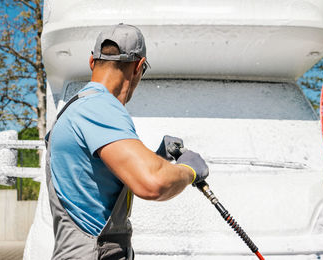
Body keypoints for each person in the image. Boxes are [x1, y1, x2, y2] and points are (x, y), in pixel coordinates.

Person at [45, 23, 209, 260]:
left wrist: (158, 157)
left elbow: (95, 184)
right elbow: (153, 183)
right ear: (139, 67)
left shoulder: (77, 107)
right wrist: (189, 170)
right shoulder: (100, 107)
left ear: (92, 61)